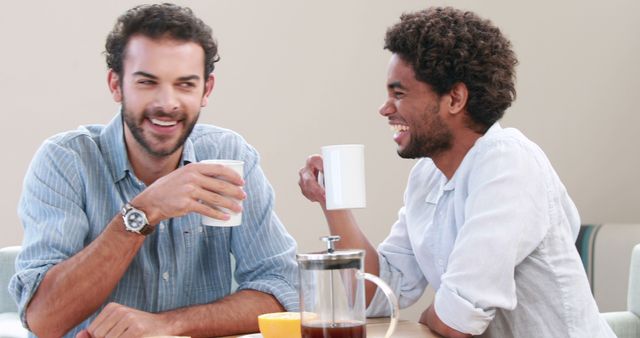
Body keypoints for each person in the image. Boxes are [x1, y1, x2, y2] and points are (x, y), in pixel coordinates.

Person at [298, 7, 615, 338]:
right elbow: (377, 294)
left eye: (399, 93)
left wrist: (432, 317)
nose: (385, 108)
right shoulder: (428, 176)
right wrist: (332, 200)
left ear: (455, 99)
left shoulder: (508, 165)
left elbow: (457, 320)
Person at [10, 3, 298, 338]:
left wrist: (169, 324)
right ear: (116, 85)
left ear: (206, 90)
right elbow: (45, 319)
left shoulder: (228, 155)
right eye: (147, 82)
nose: (167, 103)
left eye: (185, 84)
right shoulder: (66, 162)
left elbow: (283, 289)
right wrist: (144, 211)